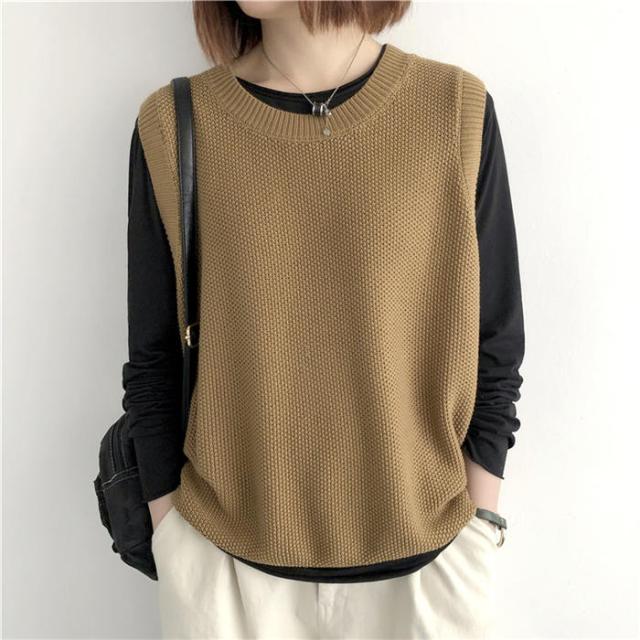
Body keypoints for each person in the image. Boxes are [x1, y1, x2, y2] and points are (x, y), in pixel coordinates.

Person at [122, 1, 525, 637]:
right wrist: (172, 534)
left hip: (430, 568)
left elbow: (495, 343)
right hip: (224, 575)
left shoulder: (453, 110)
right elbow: (154, 360)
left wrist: (479, 524)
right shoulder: (176, 123)